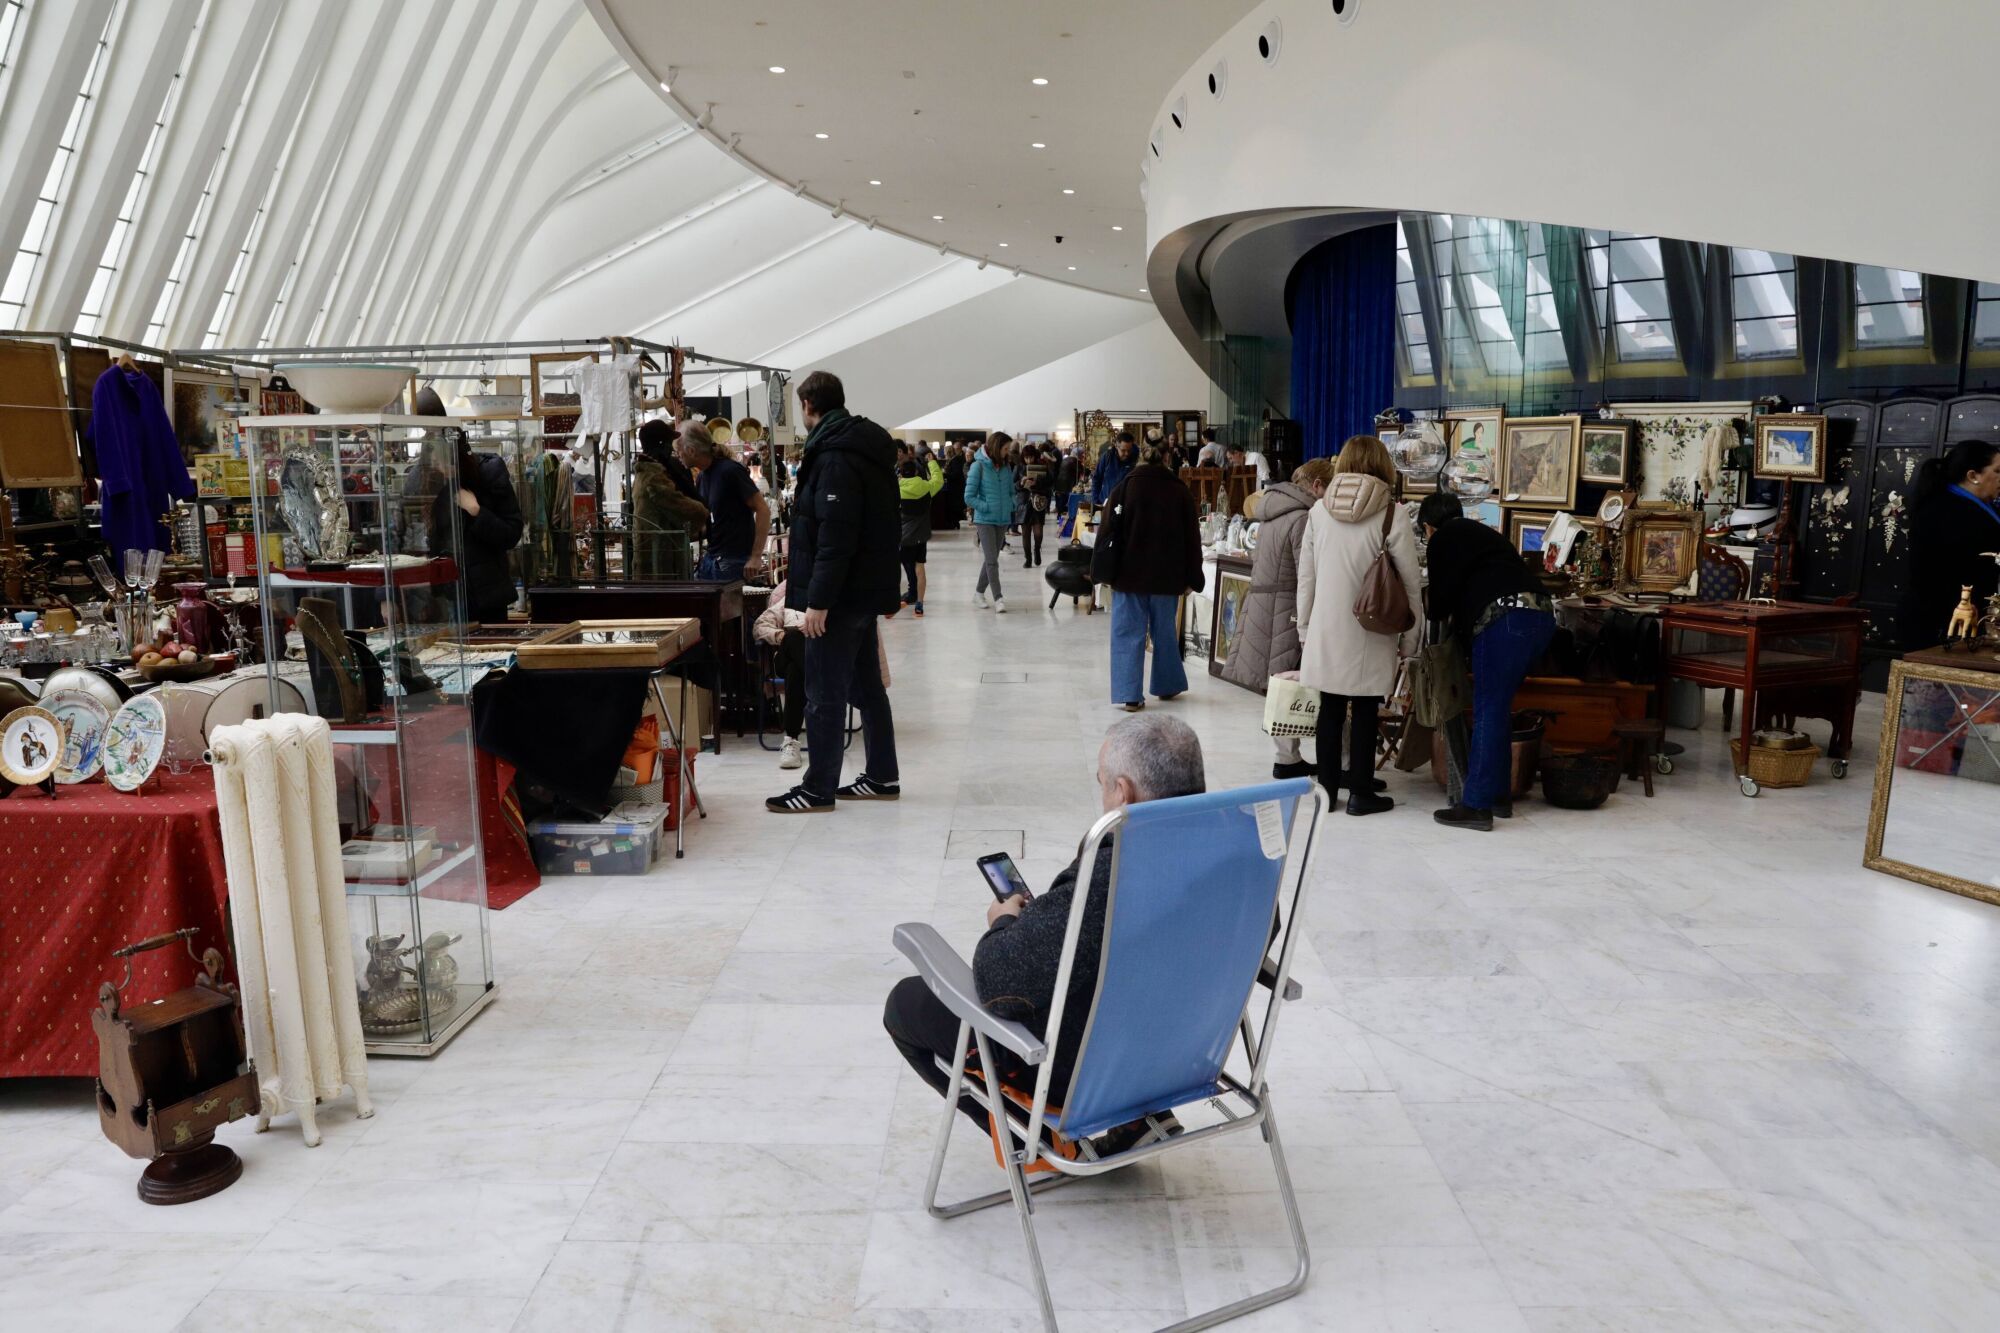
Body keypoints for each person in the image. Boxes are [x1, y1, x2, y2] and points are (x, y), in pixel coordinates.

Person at [881, 714, 1206, 1154]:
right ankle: (1138, 1123)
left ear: (1122, 792)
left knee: (907, 1003)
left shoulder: (1114, 878)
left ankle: (1050, 1146)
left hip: (1094, 1072)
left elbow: (999, 982)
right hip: (1184, 1059)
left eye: (1102, 782)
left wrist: (1004, 921)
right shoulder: (1236, 858)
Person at [766, 370, 902, 814]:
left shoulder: (836, 457)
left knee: (823, 693)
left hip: (840, 598)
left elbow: (835, 538)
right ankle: (882, 776)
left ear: (808, 406)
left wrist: (818, 603)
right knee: (867, 689)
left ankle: (818, 787)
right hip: (861, 592)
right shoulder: (857, 446)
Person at [1295, 436, 1420, 815]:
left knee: (1329, 708)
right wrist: (1410, 640)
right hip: (1373, 625)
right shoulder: (1391, 513)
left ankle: (1327, 791)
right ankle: (1362, 793)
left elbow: (1307, 579)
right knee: (1366, 709)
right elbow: (1411, 583)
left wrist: (1304, 629)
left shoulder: (1318, 511)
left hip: (1326, 627)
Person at [1419, 490, 1555, 831]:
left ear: (1427, 527)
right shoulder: (1483, 534)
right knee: (1498, 707)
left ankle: (1476, 805)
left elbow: (1439, 604)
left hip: (1502, 621)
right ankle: (1498, 797)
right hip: (1540, 617)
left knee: (1488, 711)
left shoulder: (1441, 540)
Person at [1221, 458, 1335, 777]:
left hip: (1265, 602)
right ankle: (1292, 759)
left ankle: (1287, 757)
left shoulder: (1272, 511)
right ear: (1316, 486)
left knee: (1281, 683)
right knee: (1297, 681)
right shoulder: (1303, 517)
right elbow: (1307, 573)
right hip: (1288, 607)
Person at [1094, 446, 1203, 710]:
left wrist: (1104, 570)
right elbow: (1192, 537)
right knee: (1165, 632)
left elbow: (1108, 531)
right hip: (1167, 576)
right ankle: (1167, 685)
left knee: (1127, 633)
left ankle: (1129, 694)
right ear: (1167, 459)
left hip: (1128, 575)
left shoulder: (1124, 488)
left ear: (1140, 459)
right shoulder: (1179, 491)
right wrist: (1193, 576)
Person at [1899, 439, 2000, 648]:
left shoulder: (1975, 507)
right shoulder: (1947, 510)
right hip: (1941, 618)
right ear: (1973, 476)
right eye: (1998, 471)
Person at [431, 428, 526, 623]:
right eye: (438, 465)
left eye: (446, 465)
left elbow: (512, 534)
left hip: (487, 596)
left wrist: (477, 511)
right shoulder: (439, 485)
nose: (442, 470)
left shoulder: (489, 474)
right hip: (452, 593)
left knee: (490, 649)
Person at [678, 420, 772, 582]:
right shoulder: (702, 476)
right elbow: (715, 521)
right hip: (714, 559)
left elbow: (763, 509)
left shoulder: (730, 471)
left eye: (679, 451)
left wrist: (756, 556)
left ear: (691, 450)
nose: (678, 456)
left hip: (733, 560)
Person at [633, 418, 709, 577]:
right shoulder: (653, 477)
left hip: (657, 556)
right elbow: (677, 504)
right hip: (659, 563)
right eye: (668, 443)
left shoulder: (648, 472)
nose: (671, 449)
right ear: (660, 444)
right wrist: (703, 512)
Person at [752, 577, 809, 769]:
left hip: (818, 657)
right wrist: (782, 636)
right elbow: (760, 626)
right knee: (793, 636)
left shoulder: (836, 602)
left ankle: (791, 739)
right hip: (792, 656)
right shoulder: (791, 601)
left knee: (796, 672)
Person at [964, 432, 1016, 612]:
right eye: (1005, 448)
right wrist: (986, 507)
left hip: (1002, 519)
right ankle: (998, 598)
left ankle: (978, 593)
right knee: (993, 561)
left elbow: (1011, 492)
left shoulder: (1006, 467)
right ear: (996, 447)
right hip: (984, 520)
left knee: (990, 559)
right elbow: (968, 497)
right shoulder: (978, 466)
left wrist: (1011, 504)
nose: (1007, 452)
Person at [898, 449, 944, 616]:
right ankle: (919, 604)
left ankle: (891, 603)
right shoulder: (926, 487)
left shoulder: (896, 489)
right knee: (920, 568)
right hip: (921, 537)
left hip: (902, 537)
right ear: (917, 472)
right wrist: (932, 462)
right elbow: (938, 480)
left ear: (901, 474)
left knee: (898, 569)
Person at [1018, 443, 1055, 567]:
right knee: (1025, 533)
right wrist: (1021, 483)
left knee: (1038, 532)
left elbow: (1050, 483)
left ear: (1035, 456)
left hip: (1038, 502)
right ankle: (1027, 558)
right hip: (1024, 503)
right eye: (1026, 458)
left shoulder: (1042, 467)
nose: (1029, 460)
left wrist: (1036, 483)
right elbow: (1013, 486)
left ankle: (1037, 549)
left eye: (1031, 457)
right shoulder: (1019, 468)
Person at [1091, 430, 1137, 507]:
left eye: (1129, 450)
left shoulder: (1136, 460)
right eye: (1123, 450)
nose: (1126, 454)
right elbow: (1097, 478)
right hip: (1106, 502)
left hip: (1126, 504)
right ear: (1116, 446)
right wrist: (1095, 500)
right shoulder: (1107, 457)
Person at [936, 443, 967, 531]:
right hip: (955, 486)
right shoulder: (954, 460)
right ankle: (954, 523)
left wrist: (945, 474)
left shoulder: (955, 460)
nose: (944, 454)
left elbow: (955, 474)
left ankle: (954, 523)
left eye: (945, 452)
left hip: (955, 487)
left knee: (954, 505)